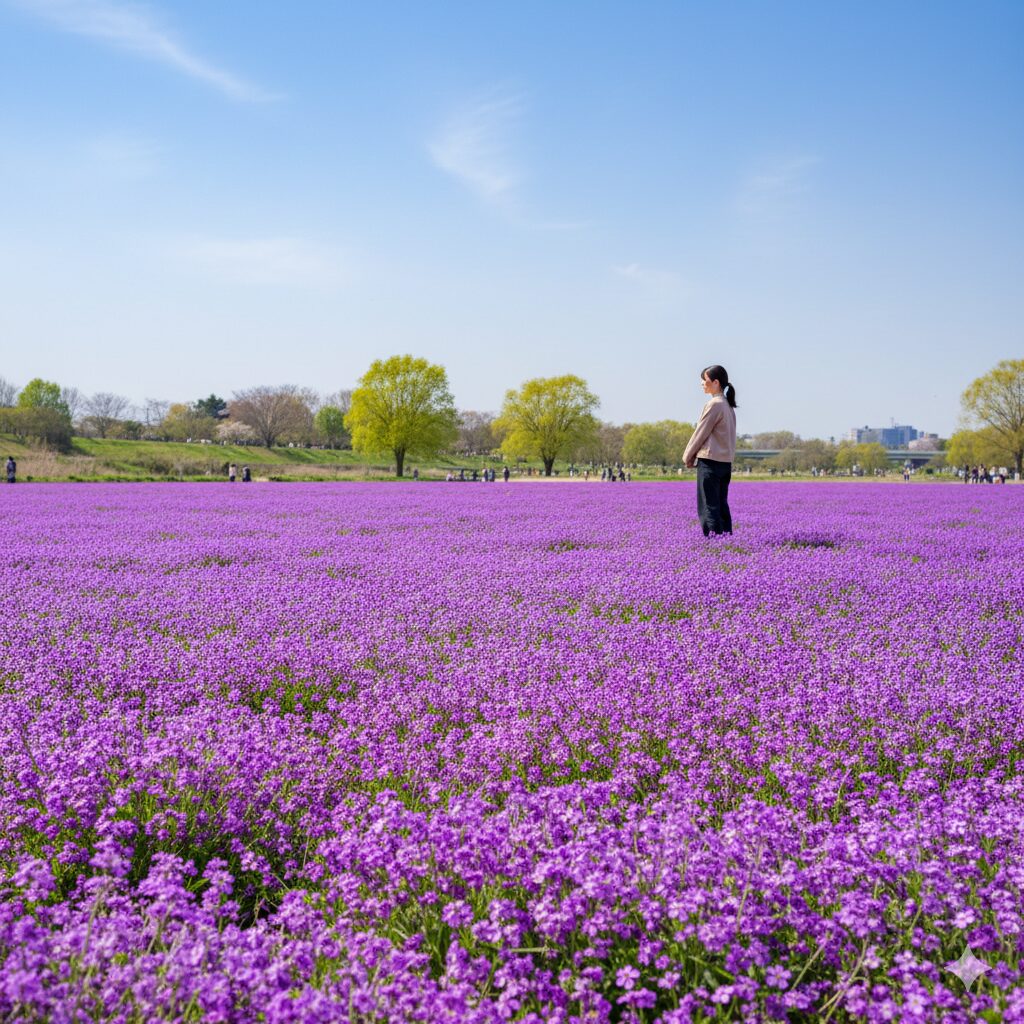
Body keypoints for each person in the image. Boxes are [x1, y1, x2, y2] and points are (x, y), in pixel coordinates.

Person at [683, 364, 738, 536]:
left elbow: (701, 432)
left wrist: (688, 456)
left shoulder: (714, 404)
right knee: (721, 505)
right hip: (725, 463)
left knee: (709, 506)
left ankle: (714, 545)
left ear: (715, 382)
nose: (702, 383)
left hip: (710, 462)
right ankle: (727, 541)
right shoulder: (728, 406)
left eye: (704, 380)